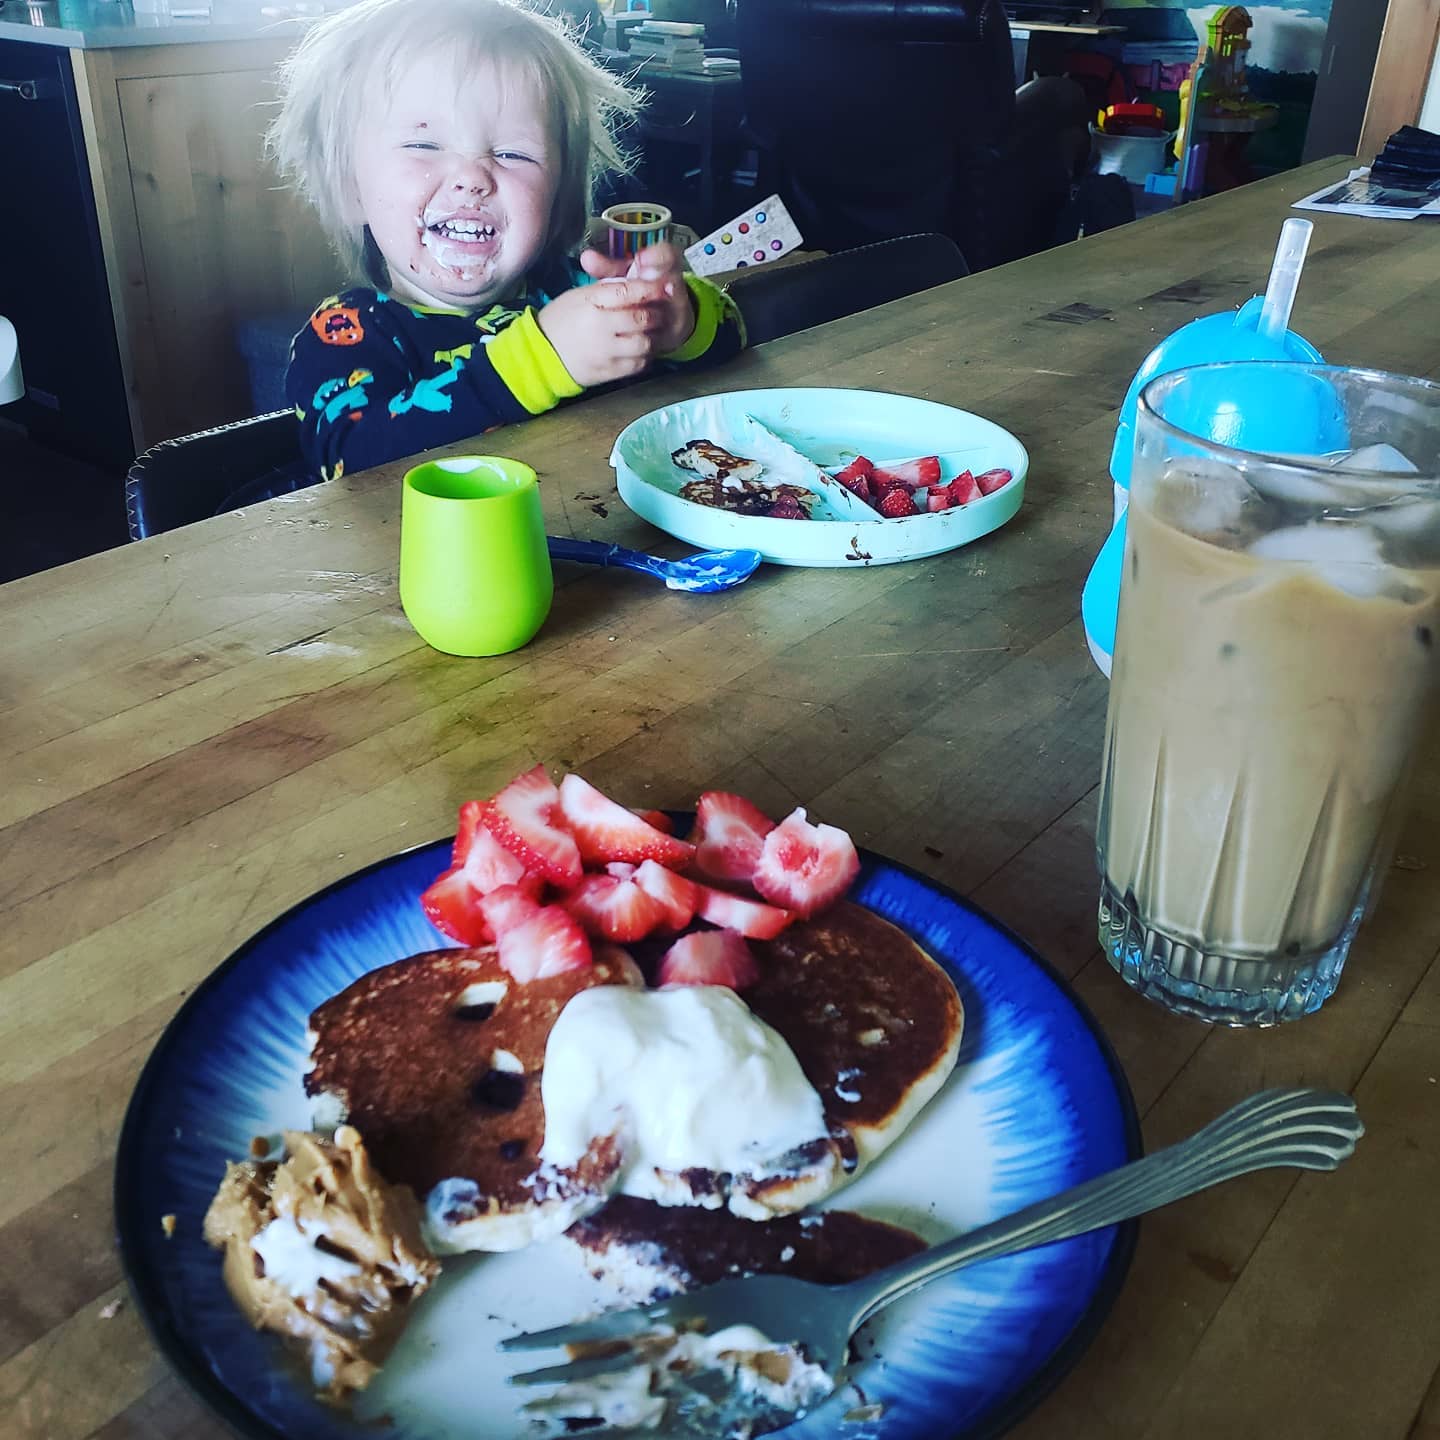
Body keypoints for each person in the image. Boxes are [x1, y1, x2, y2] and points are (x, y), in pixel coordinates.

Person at [270, 0, 743, 483]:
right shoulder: (343, 335)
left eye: (514, 153)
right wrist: (539, 362)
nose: (472, 177)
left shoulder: (578, 287)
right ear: (352, 189)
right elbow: (353, 464)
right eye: (423, 145)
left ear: (558, 198)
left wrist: (674, 318)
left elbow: (734, 344)